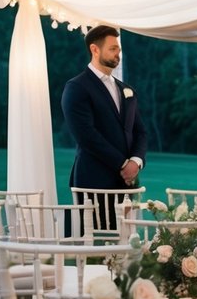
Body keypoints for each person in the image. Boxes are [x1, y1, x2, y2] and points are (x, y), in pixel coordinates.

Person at [61, 24, 148, 229]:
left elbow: (140, 131)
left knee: (126, 244)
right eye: (113, 49)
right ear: (95, 49)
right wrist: (122, 164)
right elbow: (86, 135)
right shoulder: (77, 87)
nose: (118, 53)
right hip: (93, 181)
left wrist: (136, 161)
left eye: (118, 49)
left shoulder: (126, 89)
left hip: (126, 185)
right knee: (94, 246)